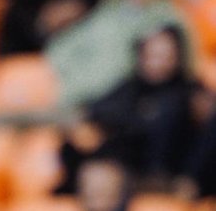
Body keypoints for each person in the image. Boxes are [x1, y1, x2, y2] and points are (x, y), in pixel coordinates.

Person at [47, 0, 193, 110]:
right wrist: (68, 74)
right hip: (72, 88)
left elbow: (130, 68)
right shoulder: (110, 12)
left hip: (118, 100)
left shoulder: (166, 22)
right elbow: (65, 46)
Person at [61, 25, 197, 191]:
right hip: (122, 165)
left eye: (165, 56)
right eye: (152, 56)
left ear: (178, 57)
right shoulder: (130, 87)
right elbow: (96, 110)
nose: (157, 63)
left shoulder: (188, 92)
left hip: (164, 172)